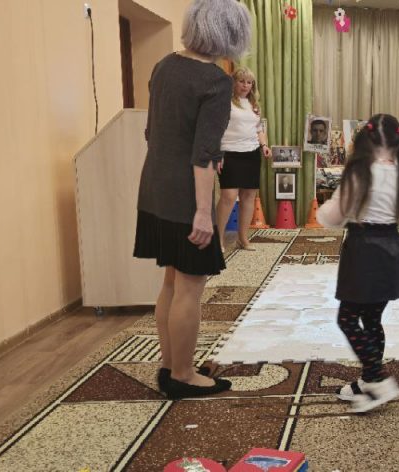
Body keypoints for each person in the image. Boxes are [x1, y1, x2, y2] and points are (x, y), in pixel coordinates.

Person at [133, 0, 251, 399]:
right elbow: (203, 155)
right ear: (231, 33)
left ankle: (171, 366)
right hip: (185, 195)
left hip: (154, 187)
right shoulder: (215, 81)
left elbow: (154, 132)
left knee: (171, 281)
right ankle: (183, 376)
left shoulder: (164, 65)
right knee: (190, 287)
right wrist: (204, 213)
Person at [317, 114, 399, 413]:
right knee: (372, 318)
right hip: (391, 250)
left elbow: (334, 217)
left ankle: (377, 379)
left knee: (348, 319)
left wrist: (324, 212)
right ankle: (367, 379)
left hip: (364, 250)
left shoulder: (360, 172)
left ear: (367, 138)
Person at [215, 66, 270, 251]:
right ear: (234, 82)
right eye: (241, 81)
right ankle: (218, 239)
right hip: (229, 153)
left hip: (251, 154)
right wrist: (217, 153)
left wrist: (264, 146)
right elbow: (216, 129)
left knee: (248, 197)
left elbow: (259, 129)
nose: (245, 85)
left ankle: (243, 239)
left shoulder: (254, 105)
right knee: (228, 196)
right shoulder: (224, 102)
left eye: (249, 82)